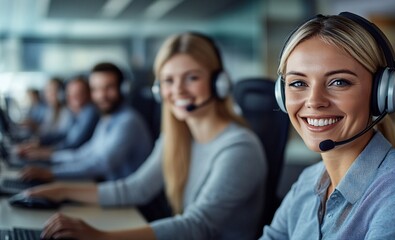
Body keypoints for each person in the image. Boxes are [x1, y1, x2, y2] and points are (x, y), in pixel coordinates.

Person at [26, 32, 267, 240]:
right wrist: (61, 190)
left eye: (192, 78)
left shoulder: (239, 148)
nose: (178, 91)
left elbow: (197, 225)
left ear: (219, 83)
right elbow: (135, 188)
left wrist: (101, 237)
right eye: (168, 81)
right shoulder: (179, 137)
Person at [260, 12, 395, 239]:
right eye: (298, 83)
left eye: (339, 82)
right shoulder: (308, 182)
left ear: (382, 93)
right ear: (281, 95)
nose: (314, 101)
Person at [20, 62, 153, 182]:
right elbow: (85, 153)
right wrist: (49, 157)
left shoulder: (128, 121)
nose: (102, 95)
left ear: (123, 89)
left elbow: (101, 164)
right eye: (96, 89)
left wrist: (51, 172)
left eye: (109, 88)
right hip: (112, 192)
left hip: (131, 205)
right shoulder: (107, 118)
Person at [17, 76, 99, 158]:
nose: (74, 97)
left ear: (89, 94)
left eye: (79, 93)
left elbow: (73, 143)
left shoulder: (89, 112)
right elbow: (63, 134)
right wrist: (40, 142)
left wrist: (47, 151)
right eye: (71, 94)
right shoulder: (76, 113)